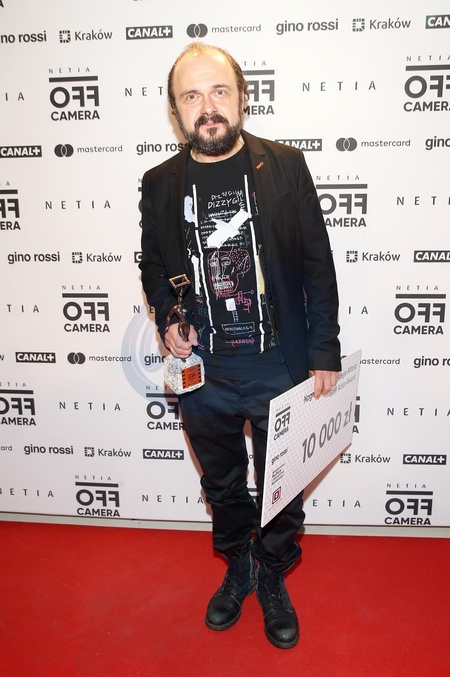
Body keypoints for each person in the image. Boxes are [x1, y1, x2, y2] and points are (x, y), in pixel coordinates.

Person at [139, 42, 341, 649]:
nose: (207, 107)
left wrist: (324, 351)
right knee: (222, 485)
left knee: (282, 488)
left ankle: (273, 573)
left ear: (242, 97)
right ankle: (239, 567)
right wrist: (168, 317)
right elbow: (153, 266)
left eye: (218, 91)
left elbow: (317, 263)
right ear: (176, 110)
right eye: (191, 96)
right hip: (203, 369)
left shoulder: (285, 165)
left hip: (279, 361)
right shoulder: (160, 182)